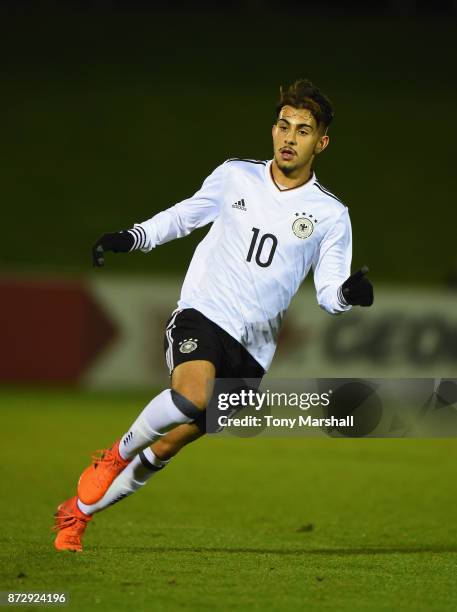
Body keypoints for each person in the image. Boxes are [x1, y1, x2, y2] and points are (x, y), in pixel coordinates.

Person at [53, 78, 373, 551]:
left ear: (320, 142)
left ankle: (76, 515)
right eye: (283, 126)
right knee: (190, 396)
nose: (289, 138)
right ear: (272, 130)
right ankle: (114, 456)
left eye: (302, 131)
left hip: (254, 354)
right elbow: (184, 216)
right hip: (204, 312)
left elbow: (328, 293)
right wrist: (131, 236)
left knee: (166, 445)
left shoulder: (330, 215)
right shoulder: (236, 176)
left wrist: (349, 293)